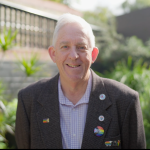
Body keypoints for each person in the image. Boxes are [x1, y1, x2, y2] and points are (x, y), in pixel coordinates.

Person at [15, 13, 146, 149]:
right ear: (53, 54)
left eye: (81, 47)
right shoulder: (29, 100)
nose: (74, 56)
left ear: (93, 54)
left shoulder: (124, 101)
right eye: (65, 46)